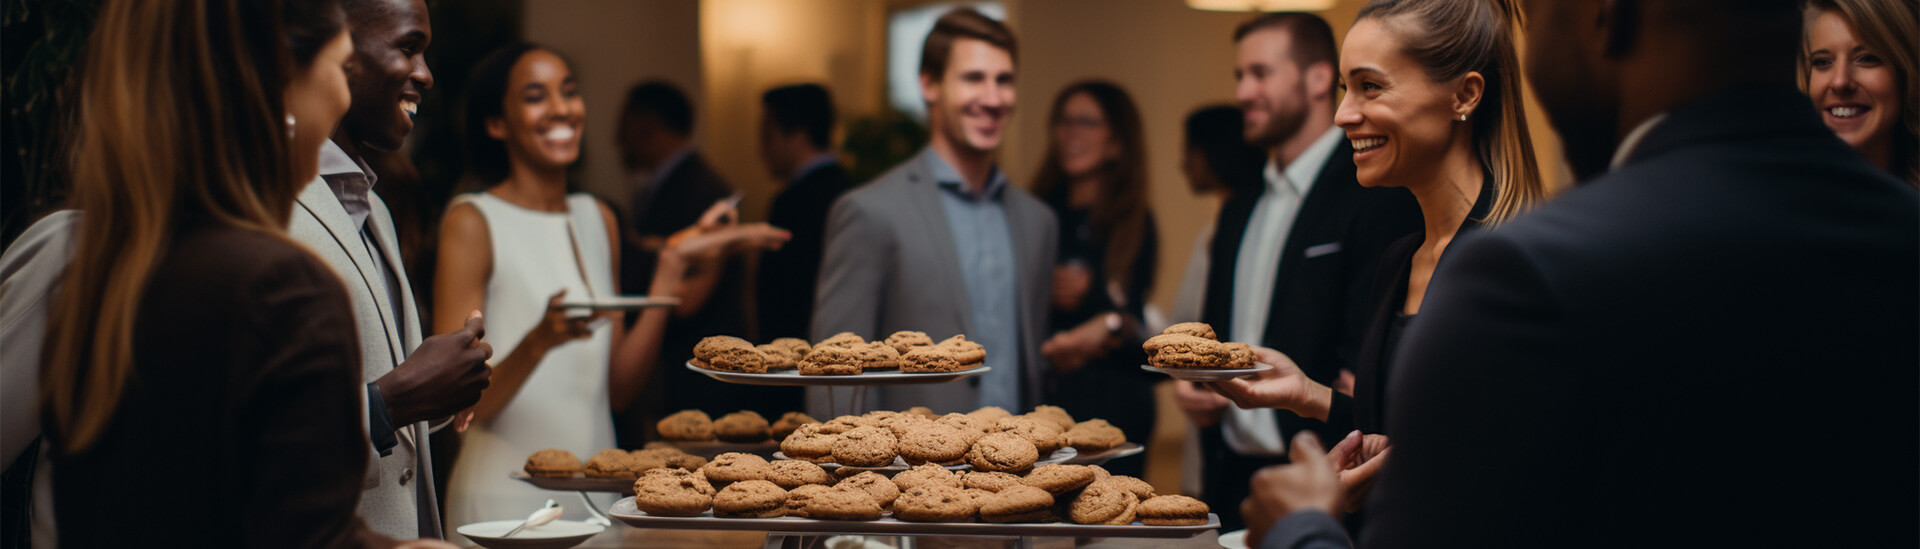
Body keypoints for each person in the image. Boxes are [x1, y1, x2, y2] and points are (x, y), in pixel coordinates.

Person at [1245, 0, 1918, 547]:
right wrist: (1313, 396)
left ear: (1605, 17)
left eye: (1536, 18)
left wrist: (1303, 528)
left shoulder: (1534, 279)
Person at [40, 0, 455, 546]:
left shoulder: (113, 260)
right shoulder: (279, 285)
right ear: (282, 81)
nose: (339, 96)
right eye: (337, 67)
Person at [435, 43, 786, 540]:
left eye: (569, 92)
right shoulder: (472, 220)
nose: (561, 108)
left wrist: (668, 273)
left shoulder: (597, 218)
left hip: (597, 495)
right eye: (536, 96)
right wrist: (538, 342)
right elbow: (453, 404)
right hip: (504, 498)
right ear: (497, 124)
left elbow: (620, 386)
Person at [1213, 0, 1544, 521]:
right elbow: (1400, 429)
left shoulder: (1512, 265)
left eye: (1371, 86)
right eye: (1346, 89)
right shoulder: (1399, 261)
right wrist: (1308, 395)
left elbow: (1522, 468)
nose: (1344, 114)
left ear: (1465, 94)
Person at [1190, 12, 1420, 531]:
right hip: (1229, 469)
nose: (1244, 92)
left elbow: (1373, 344)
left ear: (1318, 79)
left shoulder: (1376, 189)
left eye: (1260, 73)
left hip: (1325, 468)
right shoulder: (1239, 204)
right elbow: (1215, 332)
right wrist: (1201, 385)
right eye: (1238, 76)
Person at [284, 0, 494, 539]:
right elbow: (230, 427)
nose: (425, 75)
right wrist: (394, 399)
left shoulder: (374, 206)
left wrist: (442, 391)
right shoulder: (260, 202)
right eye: (408, 47)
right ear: (335, 48)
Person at [811, 7, 1057, 415]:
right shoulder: (869, 212)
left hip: (1020, 472)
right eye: (973, 78)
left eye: (1004, 80)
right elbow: (834, 375)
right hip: (910, 472)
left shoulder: (1037, 222)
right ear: (929, 84)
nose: (993, 99)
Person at [617, 80, 798, 438]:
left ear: (644, 123)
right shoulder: (658, 188)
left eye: (623, 122)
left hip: (703, 378)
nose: (616, 137)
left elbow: (687, 299)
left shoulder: (701, 188)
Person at [1030, 80, 1159, 478]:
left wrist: (1094, 300)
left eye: (1087, 122)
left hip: (1114, 401)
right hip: (1045, 400)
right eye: (1064, 121)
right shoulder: (1035, 212)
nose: (1071, 133)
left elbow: (1138, 330)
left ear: (1116, 142)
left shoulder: (1133, 223)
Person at [756, 83, 856, 341]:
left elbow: (780, 297)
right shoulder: (853, 189)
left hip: (799, 351)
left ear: (797, 135)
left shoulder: (792, 203)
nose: (761, 149)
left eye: (767, 134)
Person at [1802, 0, 1918, 185]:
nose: (1840, 82)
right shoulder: (1773, 200)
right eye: (1822, 62)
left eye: (1867, 59)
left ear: (1906, 74)